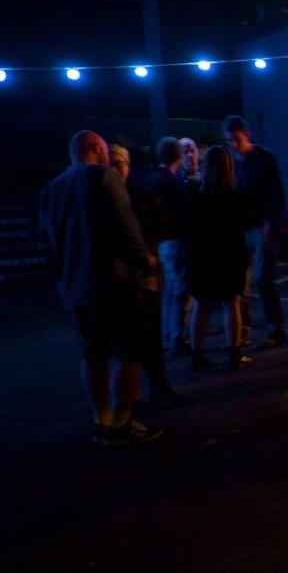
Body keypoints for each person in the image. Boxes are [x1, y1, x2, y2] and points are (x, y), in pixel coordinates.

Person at [38, 130, 163, 446]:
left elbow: (48, 241)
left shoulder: (52, 189)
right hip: (112, 280)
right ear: (95, 149)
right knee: (131, 348)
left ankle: (102, 419)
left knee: (92, 351)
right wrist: (145, 259)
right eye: (106, 150)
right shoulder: (103, 177)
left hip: (75, 285)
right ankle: (122, 420)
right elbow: (125, 226)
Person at [109, 145, 184, 408]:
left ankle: (157, 385)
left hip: (145, 273)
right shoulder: (105, 199)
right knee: (126, 337)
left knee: (151, 331)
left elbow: (164, 226)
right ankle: (132, 389)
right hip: (120, 277)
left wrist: (149, 252)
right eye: (113, 163)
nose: (119, 168)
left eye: (122, 163)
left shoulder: (140, 195)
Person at [184, 146, 251, 371]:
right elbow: (245, 222)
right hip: (230, 254)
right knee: (231, 302)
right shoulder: (234, 194)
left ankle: (197, 355)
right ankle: (234, 353)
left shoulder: (193, 192)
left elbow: (187, 224)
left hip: (202, 255)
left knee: (201, 304)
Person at [223, 115, 287, 349]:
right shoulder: (231, 161)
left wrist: (271, 222)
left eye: (236, 139)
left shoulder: (264, 157)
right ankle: (243, 330)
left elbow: (276, 193)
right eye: (229, 140)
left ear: (247, 136)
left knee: (262, 278)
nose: (233, 144)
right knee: (242, 283)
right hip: (242, 228)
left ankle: (275, 327)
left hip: (262, 227)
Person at [134, 137, 191, 356]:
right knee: (180, 290)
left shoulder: (148, 178)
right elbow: (184, 215)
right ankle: (176, 338)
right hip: (176, 240)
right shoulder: (174, 184)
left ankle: (168, 335)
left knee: (168, 289)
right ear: (179, 156)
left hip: (156, 242)